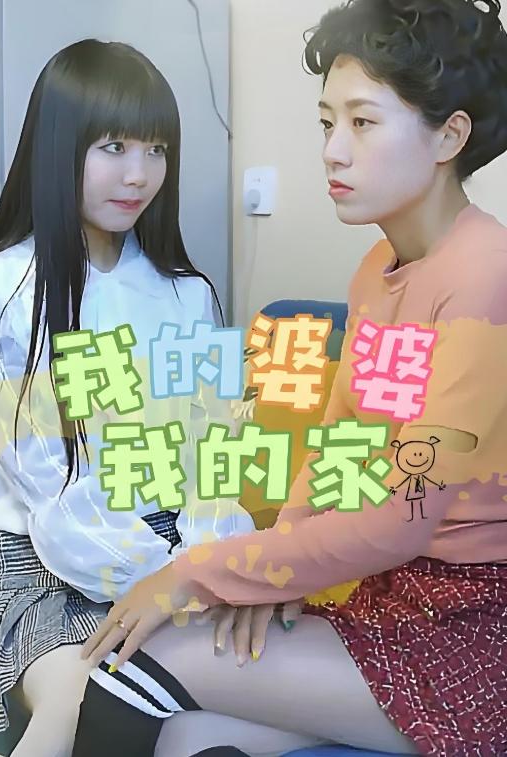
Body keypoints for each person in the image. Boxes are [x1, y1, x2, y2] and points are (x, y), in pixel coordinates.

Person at [73, 1, 507, 755]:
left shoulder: (485, 279)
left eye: (362, 123)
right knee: (187, 737)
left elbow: (400, 517)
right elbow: (343, 454)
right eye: (326, 123)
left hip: (471, 629)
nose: (333, 151)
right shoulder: (379, 270)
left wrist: (204, 572)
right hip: (392, 595)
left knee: (132, 663)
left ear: (450, 136)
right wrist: (270, 571)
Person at [0, 38, 254, 757]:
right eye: (114, 147)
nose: (140, 174)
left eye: (157, 150)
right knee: (86, 695)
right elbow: (50, 483)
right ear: (58, 149)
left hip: (174, 544)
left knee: (238, 678)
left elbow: (217, 461)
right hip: (33, 551)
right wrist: (163, 581)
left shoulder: (187, 293)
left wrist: (200, 572)